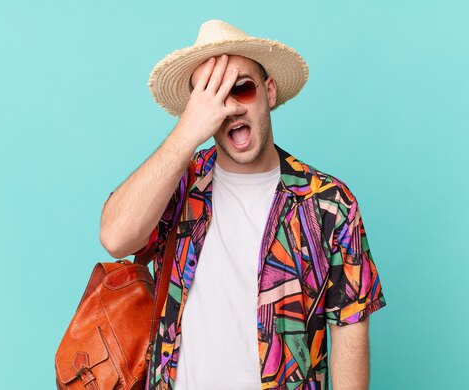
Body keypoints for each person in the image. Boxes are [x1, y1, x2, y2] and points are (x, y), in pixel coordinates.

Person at [100, 20, 386, 390]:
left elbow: (350, 335)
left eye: (242, 89)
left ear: (269, 91)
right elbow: (115, 236)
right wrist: (187, 131)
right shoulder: (179, 183)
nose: (231, 108)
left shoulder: (328, 203)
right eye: (213, 98)